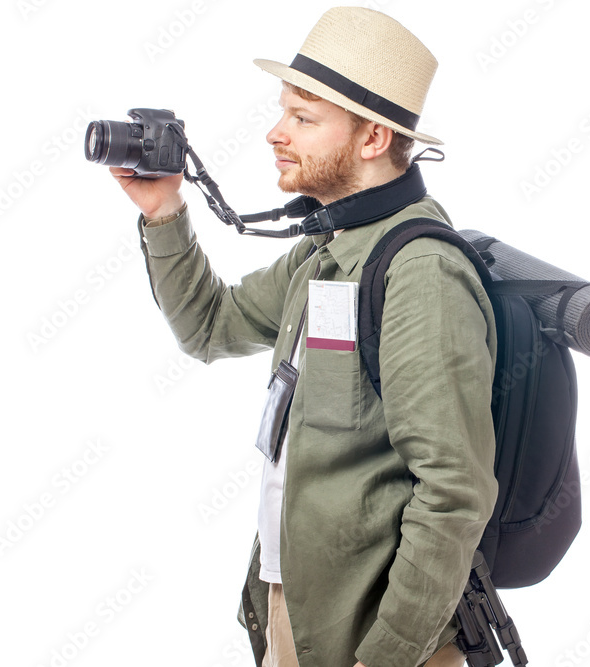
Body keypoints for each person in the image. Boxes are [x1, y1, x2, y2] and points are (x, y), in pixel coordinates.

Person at [112, 7, 498, 667]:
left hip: (373, 638)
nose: (274, 133)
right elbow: (212, 326)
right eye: (283, 111)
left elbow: (453, 489)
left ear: (373, 138)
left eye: (303, 118)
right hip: (301, 615)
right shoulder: (328, 249)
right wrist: (165, 210)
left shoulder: (419, 272)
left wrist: (383, 658)